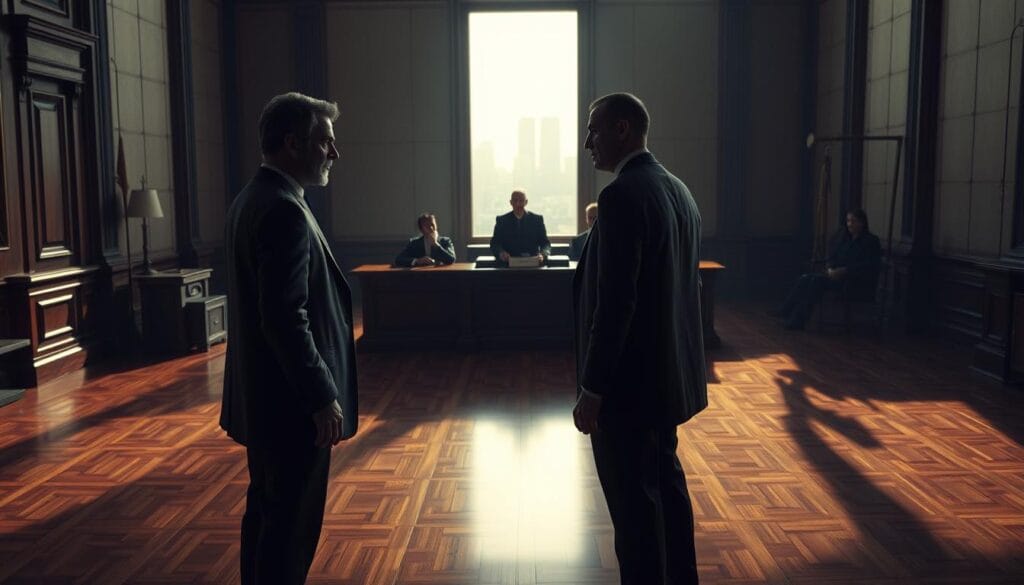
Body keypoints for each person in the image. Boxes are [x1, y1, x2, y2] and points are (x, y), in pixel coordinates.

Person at [221, 92, 359, 585]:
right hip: (291, 407)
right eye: (326, 142)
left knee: (265, 516)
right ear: (292, 143)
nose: (334, 154)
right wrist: (322, 396)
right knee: (289, 531)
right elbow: (285, 318)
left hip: (265, 401)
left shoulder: (252, 198)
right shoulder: (282, 209)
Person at [573, 92, 707, 585]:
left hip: (628, 388)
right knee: (667, 489)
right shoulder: (680, 191)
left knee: (633, 510)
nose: (588, 142)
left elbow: (616, 305)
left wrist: (592, 387)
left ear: (622, 129)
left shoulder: (621, 196)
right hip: (667, 378)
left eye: (593, 130)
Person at [776, 209, 882, 330]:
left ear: (862, 223)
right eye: (848, 221)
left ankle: (798, 320)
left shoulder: (871, 241)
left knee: (816, 281)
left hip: (854, 281)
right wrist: (830, 268)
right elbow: (833, 257)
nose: (850, 224)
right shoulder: (845, 239)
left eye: (853, 221)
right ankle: (785, 311)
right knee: (805, 278)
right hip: (836, 276)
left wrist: (844, 270)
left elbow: (868, 266)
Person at [489, 190, 552, 265]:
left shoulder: (537, 220)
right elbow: (495, 243)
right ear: (511, 202)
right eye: (515, 200)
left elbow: (545, 243)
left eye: (521, 201)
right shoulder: (502, 220)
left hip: (533, 264)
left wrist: (543, 254)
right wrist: (501, 253)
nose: (518, 204)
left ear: (526, 202)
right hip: (508, 264)